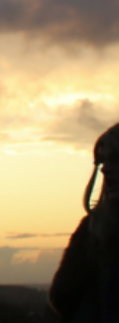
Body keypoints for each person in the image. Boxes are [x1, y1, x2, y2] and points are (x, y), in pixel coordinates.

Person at [50, 123, 119, 322]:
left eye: (116, 159)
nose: (106, 169)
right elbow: (63, 297)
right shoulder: (92, 231)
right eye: (103, 161)